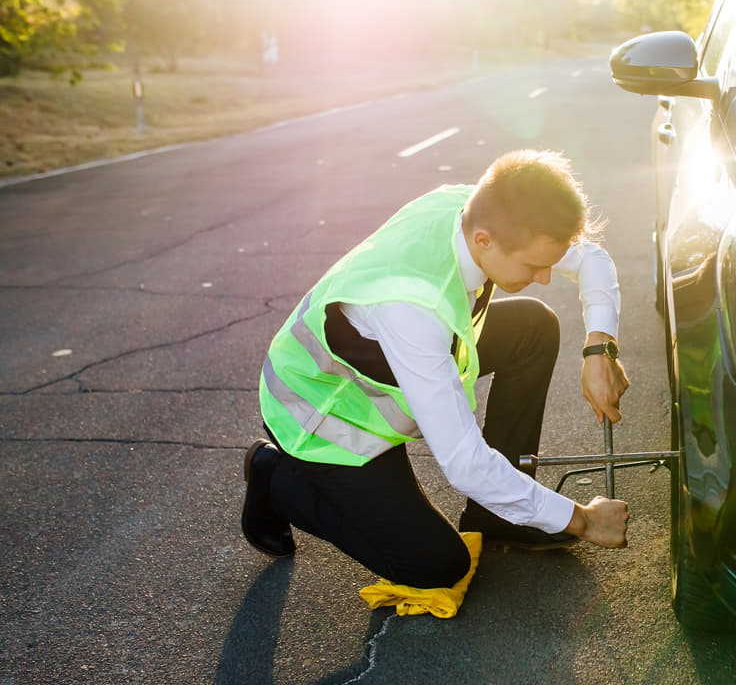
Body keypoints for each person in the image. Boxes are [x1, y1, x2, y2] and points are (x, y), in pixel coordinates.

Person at [240, 149, 631, 590]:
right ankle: (275, 478)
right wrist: (579, 520)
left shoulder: (481, 210)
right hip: (324, 417)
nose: (545, 275)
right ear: (484, 241)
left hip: (390, 369)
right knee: (437, 565)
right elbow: (463, 461)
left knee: (534, 328)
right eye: (533, 265)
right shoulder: (412, 310)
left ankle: (498, 518)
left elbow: (591, 258)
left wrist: (600, 348)